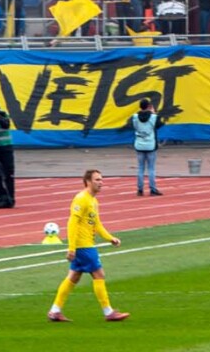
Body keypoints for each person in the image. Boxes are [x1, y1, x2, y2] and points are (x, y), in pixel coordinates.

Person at [48, 168, 129, 323]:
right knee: (99, 274)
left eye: (101, 179)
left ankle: (55, 311)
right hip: (83, 245)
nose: (101, 182)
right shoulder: (81, 199)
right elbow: (72, 223)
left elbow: (96, 224)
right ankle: (108, 312)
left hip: (85, 245)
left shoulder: (93, 201)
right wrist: (72, 248)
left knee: (73, 276)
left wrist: (110, 238)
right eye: (97, 180)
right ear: (88, 182)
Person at [128, 99, 163, 197]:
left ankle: (140, 190)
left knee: (140, 168)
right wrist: (153, 113)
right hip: (150, 144)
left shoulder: (135, 117)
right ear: (148, 106)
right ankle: (152, 189)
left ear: (140, 106)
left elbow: (134, 126)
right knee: (151, 168)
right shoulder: (154, 117)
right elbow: (160, 125)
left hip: (139, 144)